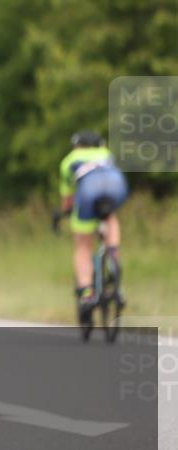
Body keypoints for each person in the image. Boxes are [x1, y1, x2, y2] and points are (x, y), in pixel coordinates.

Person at [54, 130, 128, 318]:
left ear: (76, 145)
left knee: (83, 246)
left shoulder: (70, 160)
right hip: (116, 187)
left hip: (88, 192)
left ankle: (87, 292)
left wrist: (65, 212)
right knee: (111, 217)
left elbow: (67, 200)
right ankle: (113, 256)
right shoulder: (106, 154)